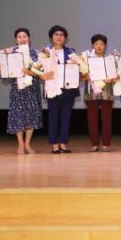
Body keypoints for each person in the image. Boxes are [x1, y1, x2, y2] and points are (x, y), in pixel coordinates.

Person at [0, 28, 43, 154]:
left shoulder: (35, 53)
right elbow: (3, 74)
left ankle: (27, 144)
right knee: (18, 115)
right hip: (17, 89)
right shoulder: (10, 53)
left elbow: (41, 72)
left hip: (32, 88)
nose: (22, 39)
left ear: (29, 38)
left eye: (25, 36)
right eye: (19, 37)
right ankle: (20, 144)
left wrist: (31, 71)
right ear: (16, 39)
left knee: (32, 115)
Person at [45, 25, 79, 154]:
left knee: (66, 117)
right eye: (56, 34)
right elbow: (40, 69)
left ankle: (63, 143)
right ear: (51, 37)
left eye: (61, 35)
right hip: (52, 88)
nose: (59, 37)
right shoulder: (45, 52)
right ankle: (54, 144)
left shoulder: (71, 52)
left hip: (68, 89)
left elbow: (77, 69)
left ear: (65, 38)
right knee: (53, 117)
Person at [84, 34, 116, 152]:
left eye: (101, 44)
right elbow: (81, 76)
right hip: (91, 93)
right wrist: (85, 75)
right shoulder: (86, 60)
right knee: (92, 119)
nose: (99, 46)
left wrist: (111, 78)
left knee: (106, 119)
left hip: (106, 92)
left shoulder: (110, 59)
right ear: (92, 45)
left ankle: (106, 144)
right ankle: (95, 144)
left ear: (105, 46)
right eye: (96, 44)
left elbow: (116, 76)